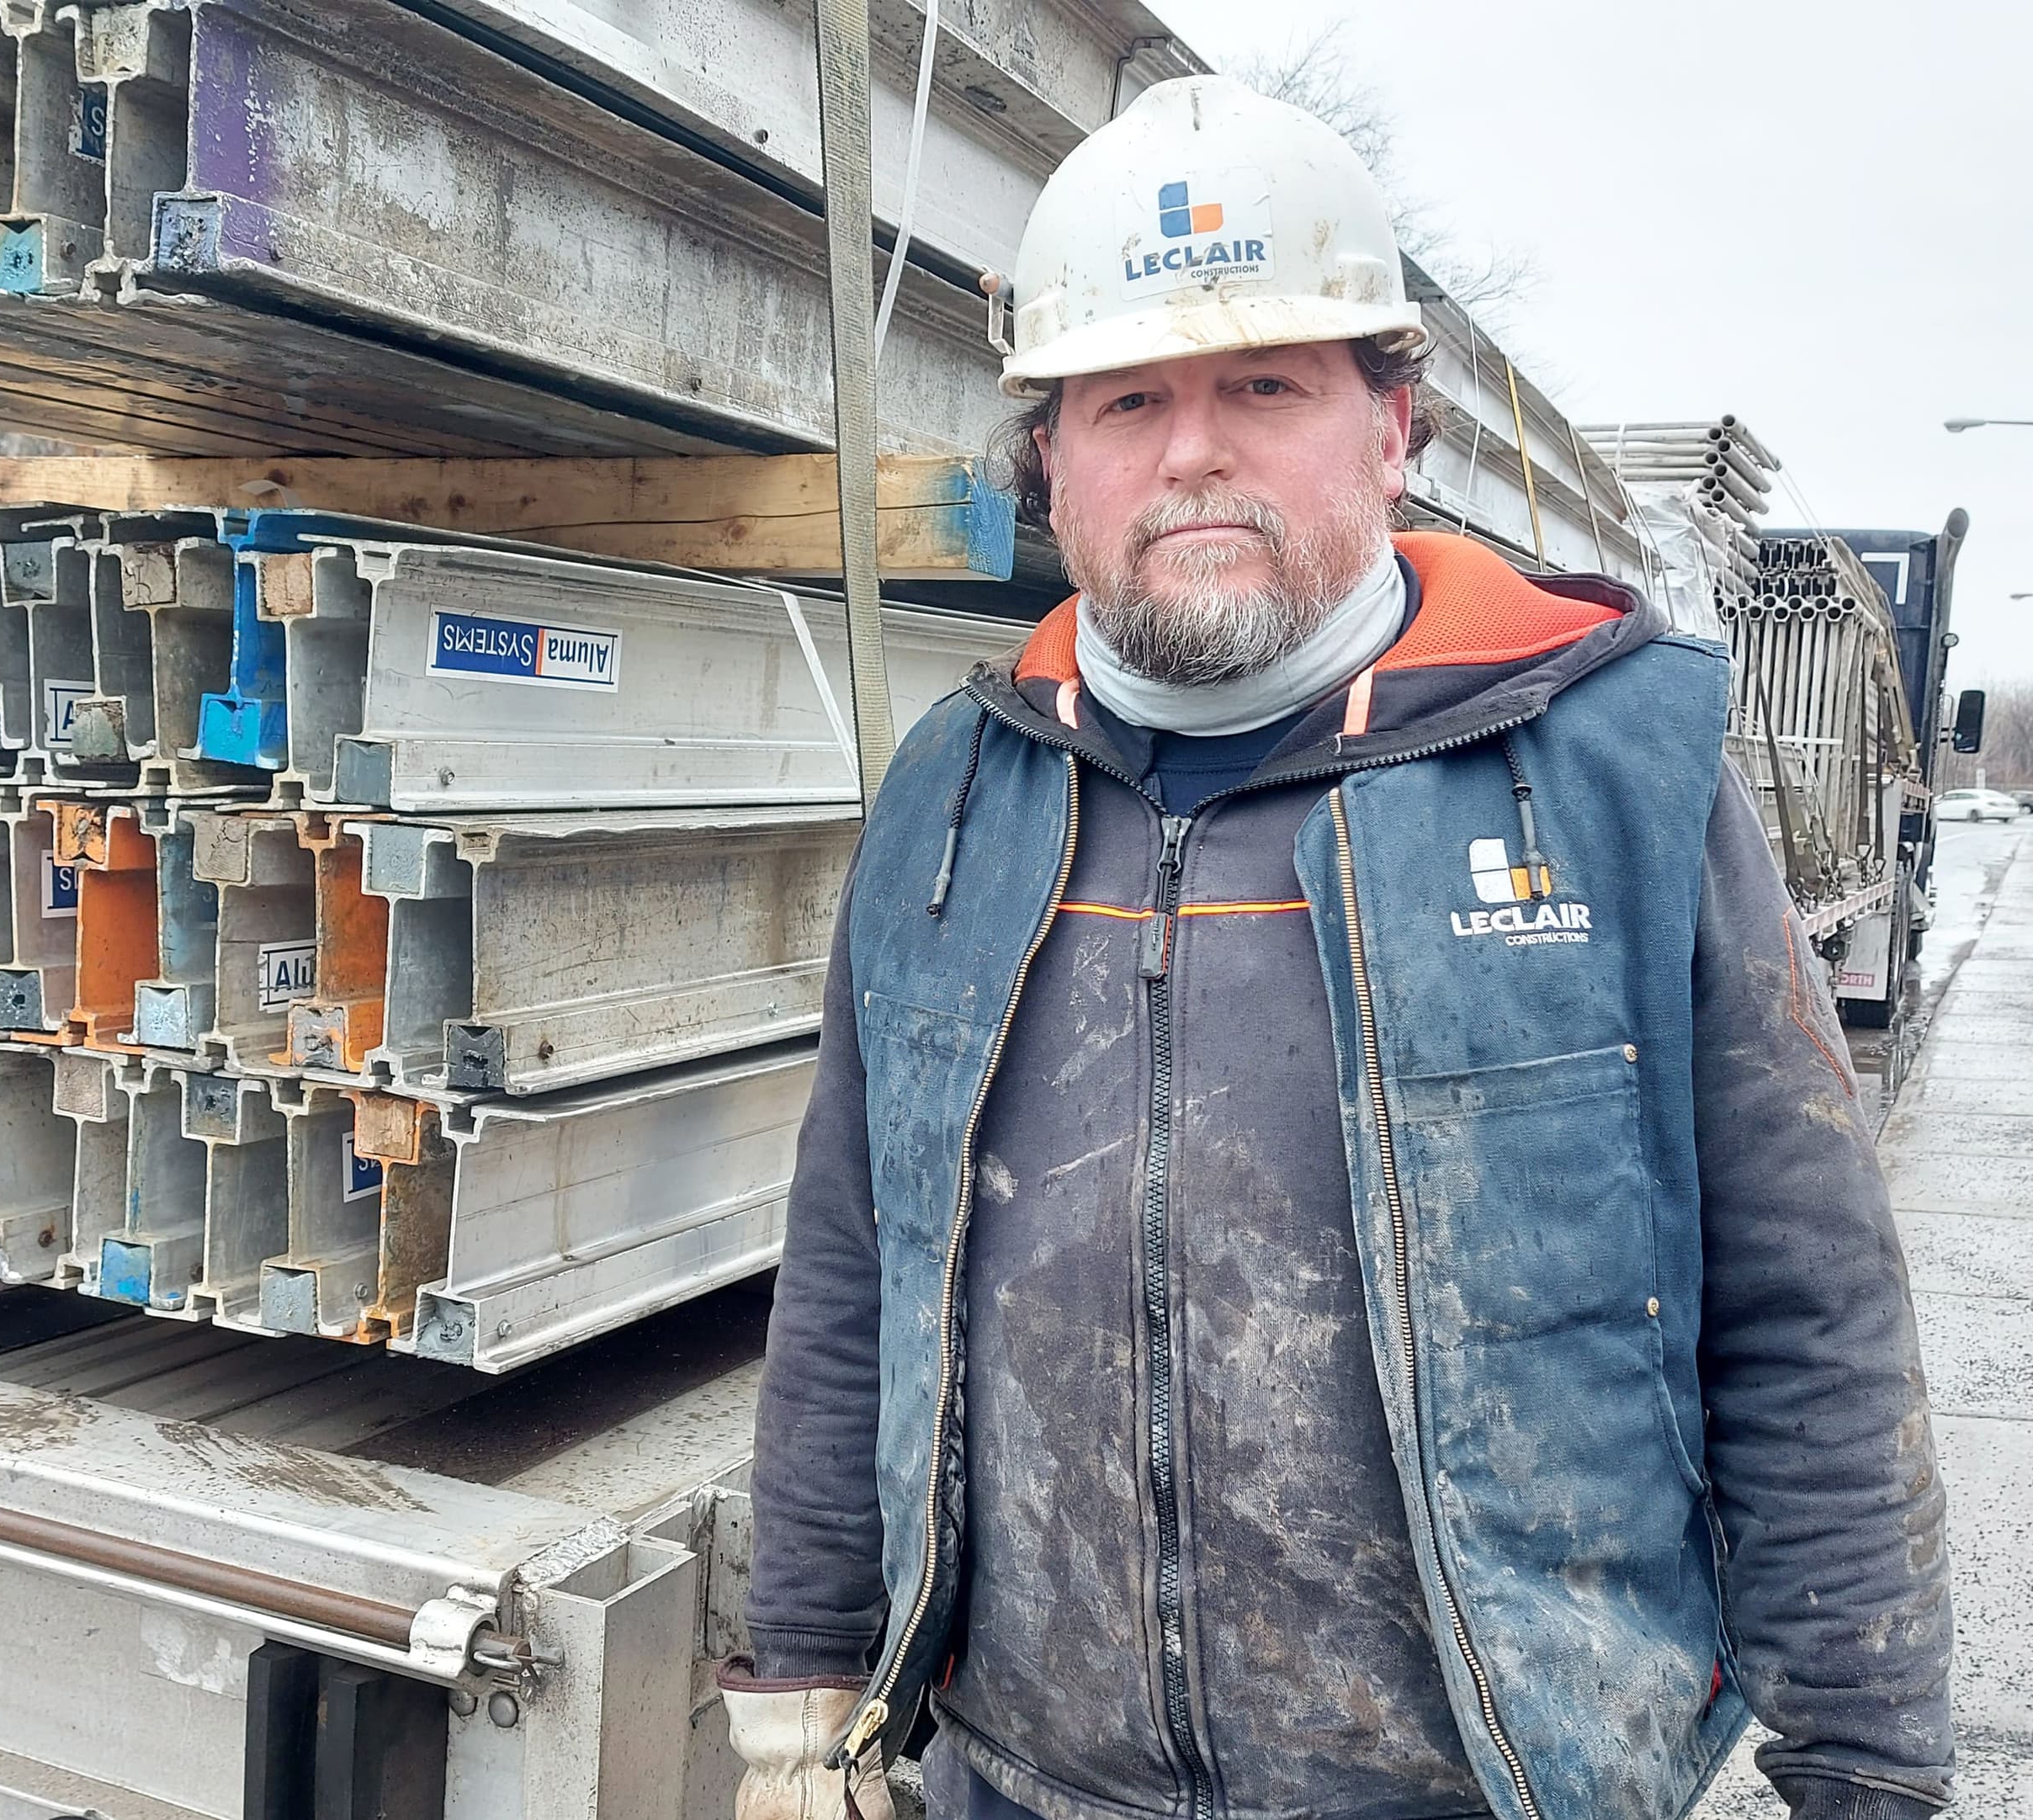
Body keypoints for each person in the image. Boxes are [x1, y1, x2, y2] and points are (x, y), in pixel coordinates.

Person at [719, 73, 1954, 1820]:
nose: (1193, 452)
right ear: (1051, 463)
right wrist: (801, 1689)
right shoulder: (955, 793)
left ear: (1392, 429)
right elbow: (856, 1264)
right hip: (1025, 1783)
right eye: (1128, 399)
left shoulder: (1611, 769)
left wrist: (1868, 1769)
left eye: (1267, 386)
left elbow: (1807, 1304)